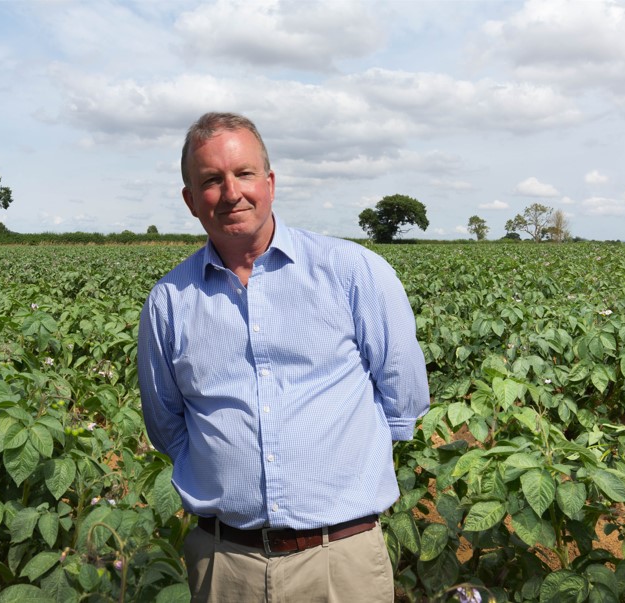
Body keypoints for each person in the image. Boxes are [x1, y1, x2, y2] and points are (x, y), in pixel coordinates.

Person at [138, 111, 429, 602]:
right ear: (191, 201)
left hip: (340, 560)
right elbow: (166, 426)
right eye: (211, 180)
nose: (231, 192)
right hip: (226, 563)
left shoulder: (353, 272)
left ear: (269, 182)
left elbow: (403, 399)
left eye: (244, 173)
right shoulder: (169, 302)